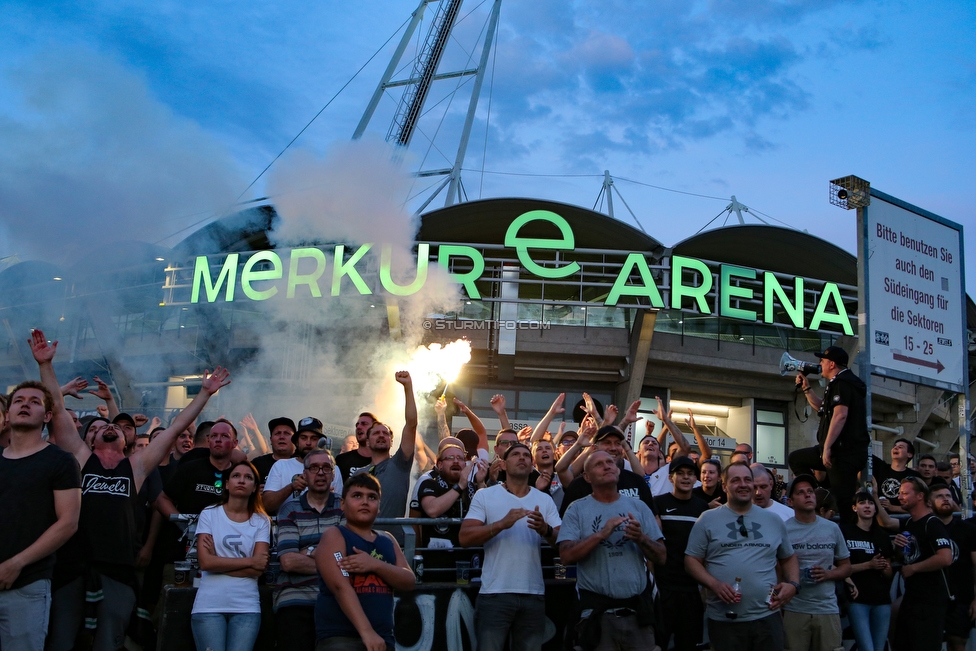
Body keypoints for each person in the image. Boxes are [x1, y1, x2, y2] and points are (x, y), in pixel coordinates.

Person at [32, 325, 232, 651]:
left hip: (118, 565)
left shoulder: (136, 467)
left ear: (127, 439)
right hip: (74, 564)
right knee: (62, 640)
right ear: (91, 438)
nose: (110, 428)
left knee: (109, 641)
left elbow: (179, 424)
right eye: (103, 427)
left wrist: (205, 394)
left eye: (117, 427)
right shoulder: (81, 459)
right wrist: (45, 366)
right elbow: (55, 404)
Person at [0, 369, 82, 650]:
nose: (25, 404)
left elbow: (68, 522)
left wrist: (15, 564)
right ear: (8, 413)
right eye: (19, 400)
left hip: (27, 584)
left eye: (34, 401)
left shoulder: (59, 462)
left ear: (47, 417)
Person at [684, 462, 799, 651]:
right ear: (724, 486)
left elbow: (788, 557)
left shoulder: (773, 520)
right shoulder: (707, 519)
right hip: (725, 620)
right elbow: (691, 560)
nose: (743, 484)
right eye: (735, 480)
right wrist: (714, 584)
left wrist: (793, 584)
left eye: (747, 479)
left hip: (767, 617)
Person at [558, 451, 666, 651]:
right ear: (587, 477)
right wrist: (601, 534)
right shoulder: (577, 509)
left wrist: (640, 538)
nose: (607, 466)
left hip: (637, 616)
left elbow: (661, 556)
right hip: (597, 618)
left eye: (610, 463)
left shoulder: (639, 507)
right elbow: (565, 556)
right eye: (599, 464)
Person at [459, 443, 561, 651]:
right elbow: (465, 537)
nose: (522, 458)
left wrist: (545, 530)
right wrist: (500, 524)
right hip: (495, 593)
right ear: (503, 465)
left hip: (533, 593)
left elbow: (563, 542)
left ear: (532, 465)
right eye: (515, 455)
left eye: (526, 455)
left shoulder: (544, 499)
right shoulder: (485, 495)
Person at [315, 473, 415, 651]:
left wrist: (375, 564)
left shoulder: (388, 540)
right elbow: (340, 587)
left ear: (379, 507)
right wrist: (367, 632)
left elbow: (408, 580)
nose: (365, 502)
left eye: (372, 497)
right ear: (342, 504)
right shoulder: (334, 535)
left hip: (383, 637)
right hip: (342, 637)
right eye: (357, 496)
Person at [191, 460, 271, 651]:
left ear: (254, 488)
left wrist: (219, 562)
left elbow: (259, 570)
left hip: (247, 608)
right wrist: (250, 561)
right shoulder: (209, 514)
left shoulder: (262, 521)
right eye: (236, 476)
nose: (241, 480)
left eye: (248, 477)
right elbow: (205, 562)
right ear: (227, 484)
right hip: (208, 606)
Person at [789, 346, 870, 523]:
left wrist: (827, 447)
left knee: (843, 501)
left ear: (832, 364)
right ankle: (819, 492)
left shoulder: (843, 383)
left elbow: (840, 415)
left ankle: (849, 537)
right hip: (836, 451)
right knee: (796, 458)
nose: (820, 364)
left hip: (843, 453)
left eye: (823, 361)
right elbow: (823, 408)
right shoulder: (838, 383)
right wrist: (806, 389)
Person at [275, 450, 345, 650]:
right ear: (304, 475)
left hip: (337, 599)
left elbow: (350, 558)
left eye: (326, 468)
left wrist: (310, 551)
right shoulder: (289, 510)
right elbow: (288, 562)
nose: (320, 473)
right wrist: (331, 557)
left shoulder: (344, 507)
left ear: (333, 474)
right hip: (295, 599)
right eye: (314, 468)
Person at [782, 474, 851, 651]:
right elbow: (776, 568)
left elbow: (846, 566)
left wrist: (829, 574)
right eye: (801, 493)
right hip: (795, 609)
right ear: (790, 502)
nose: (808, 495)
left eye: (810, 491)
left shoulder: (832, 528)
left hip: (827, 608)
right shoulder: (784, 530)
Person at [653, 456, 709, 651]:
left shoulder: (702, 508)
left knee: (688, 644)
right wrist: (654, 585)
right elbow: (651, 546)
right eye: (680, 474)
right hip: (664, 586)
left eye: (690, 474)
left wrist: (704, 588)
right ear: (671, 478)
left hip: (692, 589)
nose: (685, 478)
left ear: (696, 479)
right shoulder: (658, 503)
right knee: (658, 643)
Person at [892, 477, 954, 651]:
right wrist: (898, 547)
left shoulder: (932, 524)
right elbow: (905, 558)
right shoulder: (910, 523)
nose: (900, 497)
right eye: (899, 493)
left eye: (905, 493)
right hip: (912, 597)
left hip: (931, 601)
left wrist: (914, 568)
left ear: (920, 496)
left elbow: (945, 558)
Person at [357, 371, 418, 545]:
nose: (382, 435)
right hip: (362, 543)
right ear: (367, 441)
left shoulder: (400, 464)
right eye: (376, 433)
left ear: (392, 441)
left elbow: (411, 424)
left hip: (393, 544)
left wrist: (408, 387)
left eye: (386, 433)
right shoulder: (359, 475)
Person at [560, 425, 656, 518]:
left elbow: (654, 520)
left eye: (618, 443)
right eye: (607, 443)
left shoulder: (637, 481)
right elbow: (567, 528)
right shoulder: (578, 486)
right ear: (594, 448)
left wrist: (641, 534)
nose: (613, 448)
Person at [930, 482, 976, 651]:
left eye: (948, 496)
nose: (945, 499)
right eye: (940, 496)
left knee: (958, 643)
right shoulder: (925, 527)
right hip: (931, 597)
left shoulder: (968, 529)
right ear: (929, 502)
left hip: (962, 596)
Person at [264, 417, 342, 515]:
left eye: (314, 438)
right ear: (297, 442)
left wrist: (329, 495)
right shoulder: (281, 466)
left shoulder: (333, 469)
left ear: (321, 442)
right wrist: (291, 487)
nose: (308, 443)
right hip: (289, 527)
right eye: (304, 438)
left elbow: (341, 508)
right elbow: (267, 505)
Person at [417, 445, 487, 547]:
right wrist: (460, 486)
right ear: (440, 465)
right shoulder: (429, 484)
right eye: (450, 458)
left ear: (464, 464)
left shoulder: (472, 487)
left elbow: (488, 513)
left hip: (470, 554)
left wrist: (481, 483)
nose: (456, 461)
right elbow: (432, 510)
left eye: (460, 458)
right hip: (439, 556)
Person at [872, 439, 921, 513]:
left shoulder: (914, 476)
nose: (896, 448)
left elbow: (918, 507)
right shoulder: (880, 467)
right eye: (895, 446)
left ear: (909, 454)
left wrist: (892, 507)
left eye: (900, 447)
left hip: (901, 520)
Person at [251, 416, 297, 483]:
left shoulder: (303, 463)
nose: (281, 437)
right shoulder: (258, 464)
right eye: (277, 433)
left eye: (287, 433)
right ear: (271, 439)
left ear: (295, 439)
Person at [334, 412, 377, 483]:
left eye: (364, 424)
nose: (359, 427)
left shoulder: (382, 462)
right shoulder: (341, 460)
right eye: (357, 425)